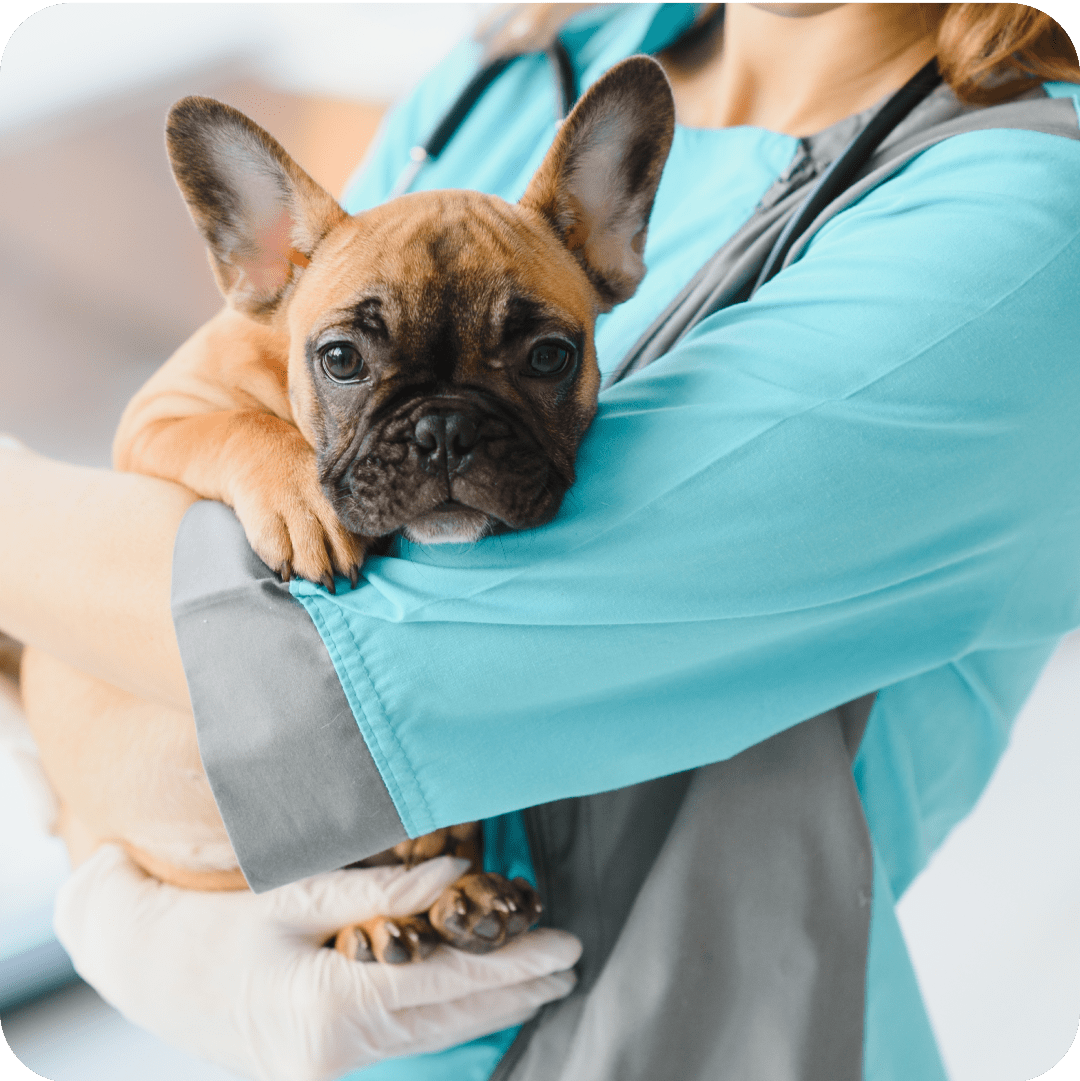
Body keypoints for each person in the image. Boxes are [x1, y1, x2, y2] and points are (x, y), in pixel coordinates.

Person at [3, 3, 1079, 1079]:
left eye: (541, 357)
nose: (441, 435)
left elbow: (329, 666)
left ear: (613, 241)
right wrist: (113, 878)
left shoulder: (1023, 211)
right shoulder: (513, 65)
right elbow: (208, 419)